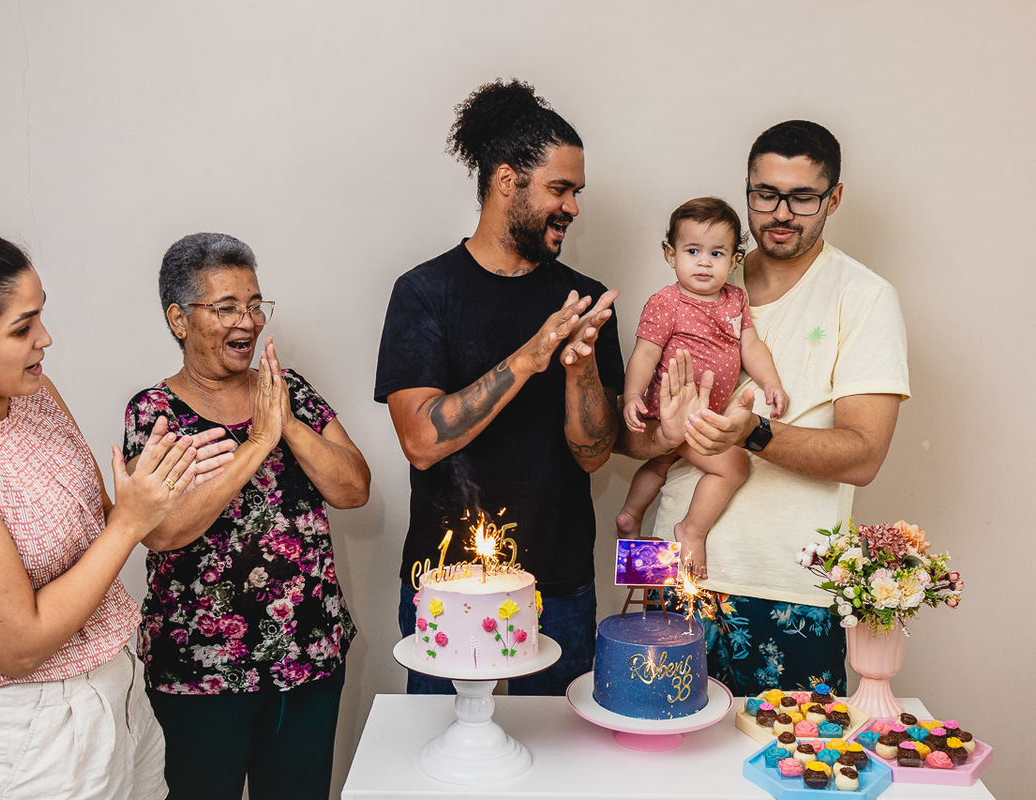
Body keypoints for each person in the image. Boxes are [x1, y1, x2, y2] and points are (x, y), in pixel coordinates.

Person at [0, 225, 235, 799]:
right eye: (23, 327)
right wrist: (131, 520)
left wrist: (160, 490)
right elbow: (17, 646)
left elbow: (100, 524)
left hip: (118, 695)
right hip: (24, 739)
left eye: (40, 316)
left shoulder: (35, 395)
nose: (45, 339)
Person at [375, 78, 626, 697]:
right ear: (507, 181)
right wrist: (532, 355)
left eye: (577, 191)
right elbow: (422, 440)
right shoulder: (424, 293)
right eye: (559, 189)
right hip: (447, 579)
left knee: (561, 765)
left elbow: (595, 454)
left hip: (560, 583)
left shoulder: (586, 301)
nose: (572, 207)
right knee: (444, 764)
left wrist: (579, 369)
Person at [648, 121, 910, 695]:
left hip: (791, 588)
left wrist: (754, 434)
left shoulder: (863, 296)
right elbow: (637, 436)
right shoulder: (702, 273)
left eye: (803, 196)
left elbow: (863, 455)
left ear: (834, 198)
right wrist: (661, 432)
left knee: (791, 770)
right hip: (669, 566)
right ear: (747, 190)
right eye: (765, 194)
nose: (780, 212)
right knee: (655, 761)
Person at [123, 232, 370, 799]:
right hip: (199, 667)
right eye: (227, 307)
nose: (249, 322)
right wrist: (258, 443)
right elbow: (161, 529)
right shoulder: (154, 413)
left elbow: (354, 487)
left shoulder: (292, 394)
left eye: (255, 305)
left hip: (305, 653)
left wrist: (285, 423)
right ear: (179, 319)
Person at [617, 197, 788, 579]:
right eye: (692, 251)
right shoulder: (667, 302)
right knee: (735, 466)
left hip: (703, 411)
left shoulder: (736, 300)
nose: (704, 262)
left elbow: (751, 347)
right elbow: (644, 355)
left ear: (735, 260)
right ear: (670, 253)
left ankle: (630, 515)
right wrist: (631, 395)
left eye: (717, 253)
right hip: (675, 410)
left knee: (661, 464)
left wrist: (770, 382)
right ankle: (690, 530)